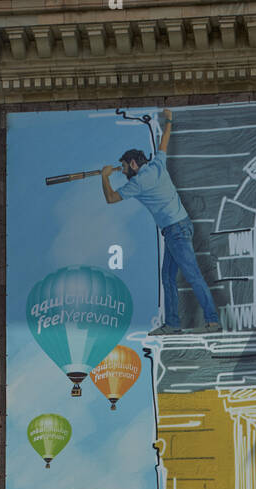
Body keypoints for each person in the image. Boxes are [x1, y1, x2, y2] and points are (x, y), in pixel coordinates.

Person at [101, 109, 221, 335]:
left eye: (125, 168)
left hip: (175, 231)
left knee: (192, 274)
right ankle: (173, 324)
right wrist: (169, 120)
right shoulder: (157, 165)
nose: (125, 172)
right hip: (181, 226)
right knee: (168, 277)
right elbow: (165, 141)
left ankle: (212, 320)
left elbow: (110, 198)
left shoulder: (137, 183)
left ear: (134, 164)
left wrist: (104, 177)